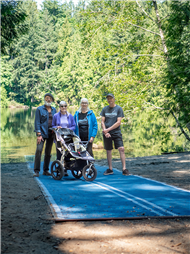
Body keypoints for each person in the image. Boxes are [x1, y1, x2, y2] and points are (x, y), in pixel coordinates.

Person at [100, 93, 130, 176]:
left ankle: (124, 169)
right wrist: (105, 131)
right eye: (108, 98)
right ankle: (110, 169)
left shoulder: (118, 109)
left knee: (121, 148)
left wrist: (107, 130)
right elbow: (102, 121)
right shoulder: (105, 109)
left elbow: (118, 122)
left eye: (111, 98)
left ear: (114, 99)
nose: (109, 100)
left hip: (116, 132)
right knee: (108, 150)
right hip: (107, 133)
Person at [33, 93, 57, 177]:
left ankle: (46, 170)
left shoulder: (54, 110)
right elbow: (37, 122)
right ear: (44, 99)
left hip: (51, 133)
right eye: (47, 98)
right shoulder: (39, 109)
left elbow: (56, 121)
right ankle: (36, 171)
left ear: (52, 100)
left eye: (50, 98)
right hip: (42, 134)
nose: (48, 100)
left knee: (48, 152)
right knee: (39, 151)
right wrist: (38, 134)